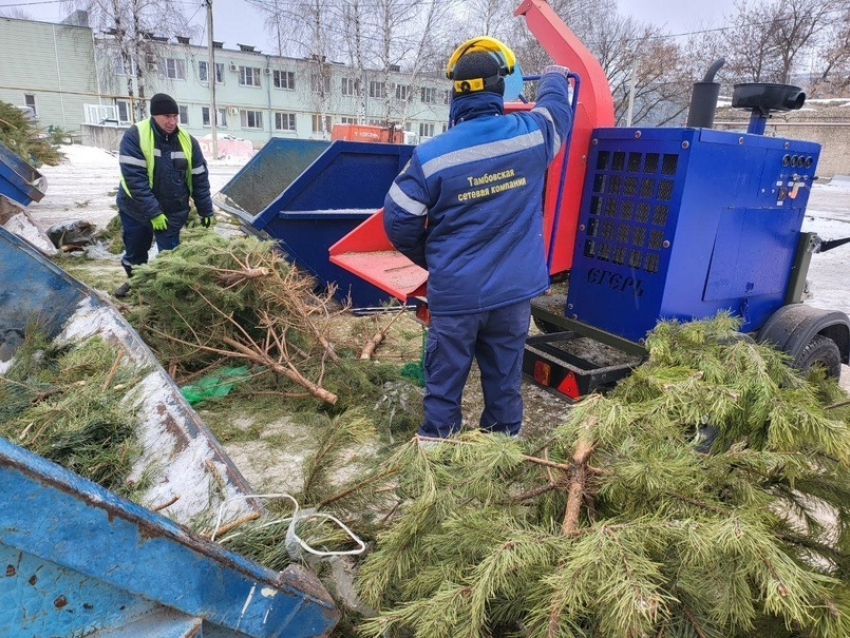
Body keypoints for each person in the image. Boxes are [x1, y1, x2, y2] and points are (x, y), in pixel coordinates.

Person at [383, 37, 572, 439]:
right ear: (499, 88)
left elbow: (398, 220)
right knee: (504, 379)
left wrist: (436, 257)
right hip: (513, 294)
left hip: (457, 295)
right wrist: (555, 78)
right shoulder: (531, 136)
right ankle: (499, 453)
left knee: (444, 383)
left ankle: (437, 451)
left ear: (455, 94)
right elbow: (557, 112)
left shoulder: (432, 155)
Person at [114, 92, 214, 297]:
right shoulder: (136, 136)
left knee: (171, 255)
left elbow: (199, 178)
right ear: (154, 116)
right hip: (136, 208)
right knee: (135, 251)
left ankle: (170, 291)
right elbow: (135, 180)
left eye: (175, 116)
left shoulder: (187, 141)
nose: (172, 121)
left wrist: (205, 210)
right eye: (167, 116)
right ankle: (136, 284)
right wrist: (153, 212)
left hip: (172, 210)